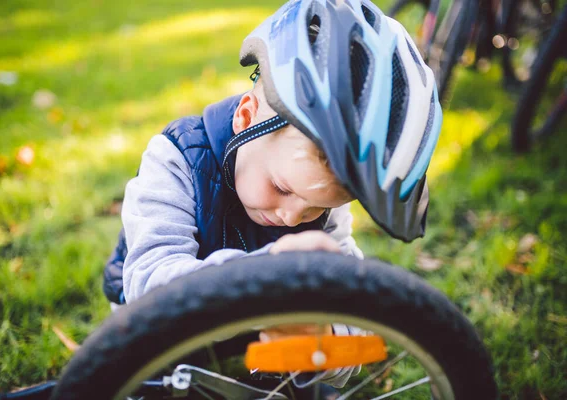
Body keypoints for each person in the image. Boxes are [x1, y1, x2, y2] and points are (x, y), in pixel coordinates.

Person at [103, 0, 442, 391]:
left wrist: (326, 333)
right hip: (161, 323)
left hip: (252, 319)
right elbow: (150, 288)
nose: (293, 217)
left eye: (320, 207)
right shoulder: (175, 159)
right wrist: (269, 279)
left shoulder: (313, 205)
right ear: (246, 119)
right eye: (282, 188)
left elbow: (352, 313)